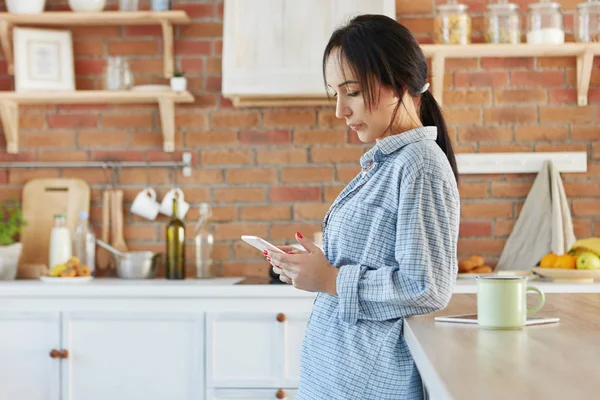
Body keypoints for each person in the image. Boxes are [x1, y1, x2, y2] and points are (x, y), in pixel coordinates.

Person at [264, 14, 460, 400]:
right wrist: (317, 266)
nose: (340, 110)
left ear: (398, 86)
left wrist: (330, 280)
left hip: (366, 386)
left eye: (351, 92)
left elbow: (427, 288)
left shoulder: (419, 164)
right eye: (335, 93)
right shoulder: (388, 163)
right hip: (341, 379)